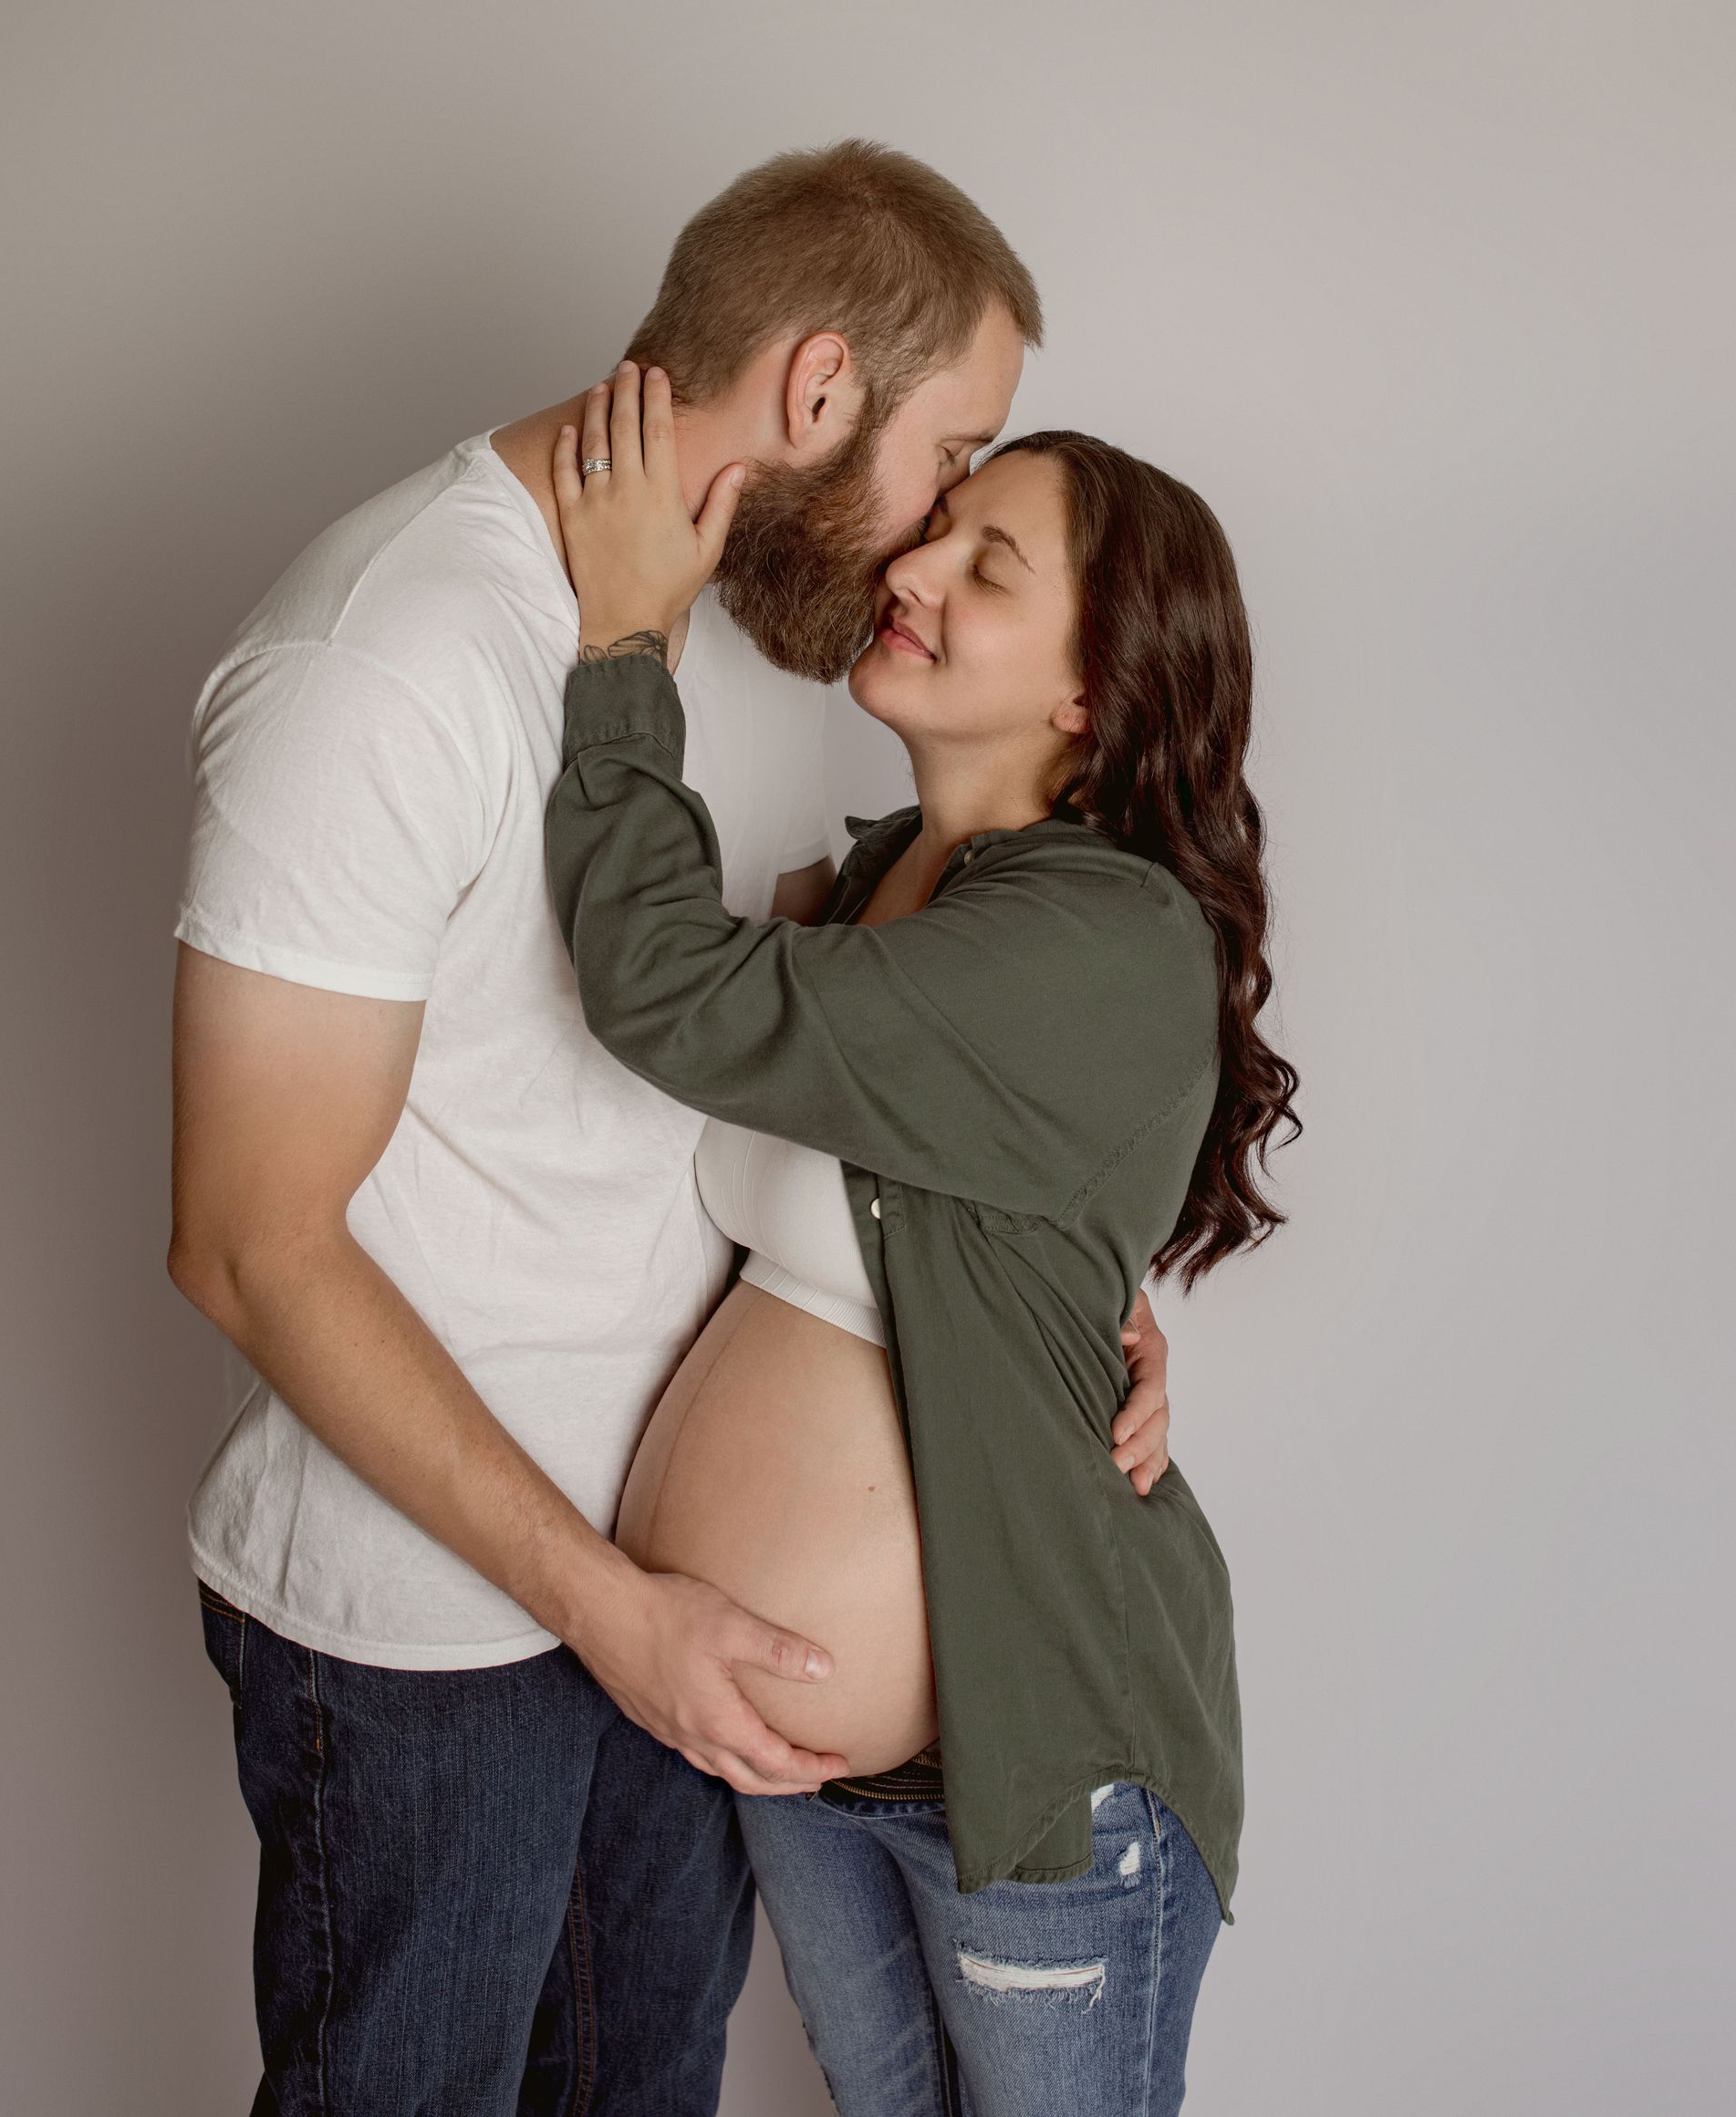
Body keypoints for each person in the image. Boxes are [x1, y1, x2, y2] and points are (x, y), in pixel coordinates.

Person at [168, 140, 1176, 2114]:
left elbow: (807, 1076)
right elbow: (245, 1241)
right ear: (820, 391)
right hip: (437, 1639)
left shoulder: (750, 637)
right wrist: (606, 1608)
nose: (937, 531)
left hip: (667, 1629)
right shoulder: (384, 659)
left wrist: (1069, 1302)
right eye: (951, 458)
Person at [540, 366, 1299, 2115]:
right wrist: (1100, 1308)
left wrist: (624, 641)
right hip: (821, 1781)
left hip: (1040, 1781)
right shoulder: (892, 870)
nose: (917, 565)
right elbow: (990, 1212)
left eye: (988, 564)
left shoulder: (1099, 934)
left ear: (1093, 689)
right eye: (940, 523)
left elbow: (662, 984)